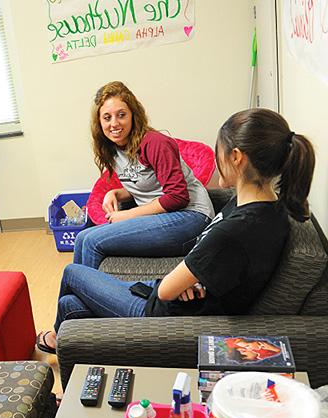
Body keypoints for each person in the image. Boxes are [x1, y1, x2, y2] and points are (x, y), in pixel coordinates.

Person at [37, 108, 315, 354]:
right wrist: (193, 279)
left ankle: (68, 344)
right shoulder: (266, 206)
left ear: (236, 157)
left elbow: (169, 290)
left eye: (218, 150)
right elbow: (223, 268)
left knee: (72, 273)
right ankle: (69, 345)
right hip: (183, 296)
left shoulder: (236, 230)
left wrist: (185, 281)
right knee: (69, 306)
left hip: (162, 314)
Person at [73, 81, 214, 270]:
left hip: (192, 217)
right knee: (82, 238)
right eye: (107, 117)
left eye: (121, 115)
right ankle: (76, 299)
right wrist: (115, 193)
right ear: (99, 122)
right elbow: (145, 182)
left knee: (92, 242)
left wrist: (127, 215)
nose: (114, 123)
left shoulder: (155, 143)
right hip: (164, 216)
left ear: (133, 115)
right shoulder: (113, 149)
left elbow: (177, 196)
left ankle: (88, 297)